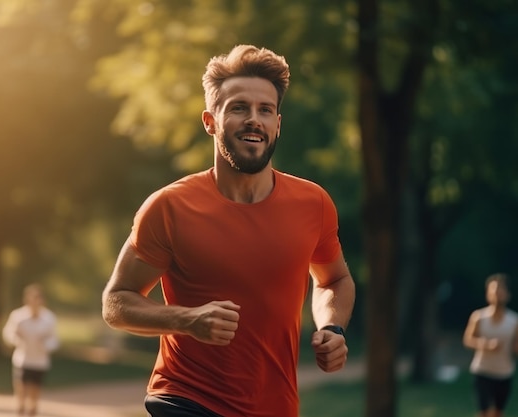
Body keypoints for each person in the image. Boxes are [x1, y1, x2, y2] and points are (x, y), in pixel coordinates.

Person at [101, 44, 356, 417]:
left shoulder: (313, 203)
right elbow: (116, 302)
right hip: (186, 398)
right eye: (239, 107)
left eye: (265, 110)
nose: (254, 119)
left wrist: (332, 328)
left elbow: (334, 280)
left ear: (277, 125)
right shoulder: (169, 207)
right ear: (210, 121)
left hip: (276, 405)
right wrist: (186, 320)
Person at [463, 273, 518, 417]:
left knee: (497, 413)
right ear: (488, 294)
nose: (497, 294)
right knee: (484, 413)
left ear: (507, 294)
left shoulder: (514, 321)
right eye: (494, 290)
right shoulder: (478, 317)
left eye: (501, 290)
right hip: (482, 371)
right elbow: (467, 339)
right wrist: (485, 345)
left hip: (504, 373)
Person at [2, 283, 59, 416]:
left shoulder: (49, 318)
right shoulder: (18, 316)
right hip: (22, 360)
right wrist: (16, 341)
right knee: (21, 393)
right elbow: (9, 333)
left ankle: (32, 411)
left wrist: (45, 345)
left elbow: (55, 340)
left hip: (40, 361)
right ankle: (20, 409)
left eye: (37, 298)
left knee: (34, 396)